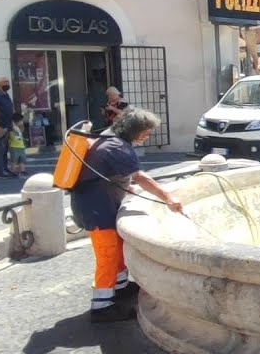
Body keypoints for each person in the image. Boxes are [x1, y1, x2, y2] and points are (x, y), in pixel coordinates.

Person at [70, 109, 183, 323]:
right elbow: (139, 177)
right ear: (134, 130)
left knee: (116, 247)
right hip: (97, 209)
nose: (147, 136)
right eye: (146, 132)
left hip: (100, 205)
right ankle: (101, 306)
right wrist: (168, 197)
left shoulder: (110, 139)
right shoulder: (118, 146)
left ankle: (120, 286)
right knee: (108, 255)